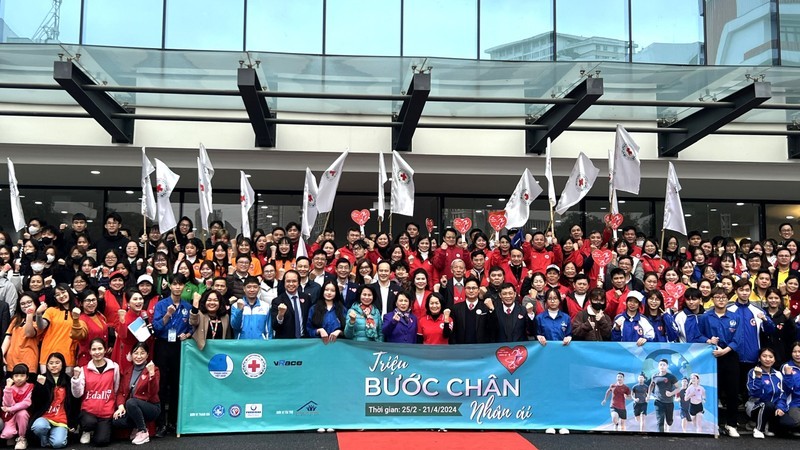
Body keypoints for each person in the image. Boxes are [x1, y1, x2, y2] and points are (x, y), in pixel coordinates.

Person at [152, 275, 192, 438]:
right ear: (170, 286)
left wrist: (188, 334)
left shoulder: (187, 306)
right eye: (175, 284)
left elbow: (192, 326)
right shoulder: (161, 305)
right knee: (161, 386)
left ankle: (174, 422)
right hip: (163, 345)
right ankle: (161, 423)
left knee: (177, 385)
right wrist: (167, 315)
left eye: (180, 285)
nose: (177, 287)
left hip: (179, 346)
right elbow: (155, 327)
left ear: (184, 287)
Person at [699, 287, 742, 437]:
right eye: (717, 297)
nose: (721, 299)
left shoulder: (735, 316)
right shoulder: (705, 317)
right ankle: (712, 424)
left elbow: (738, 339)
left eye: (723, 297)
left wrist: (725, 350)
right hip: (711, 356)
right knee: (711, 391)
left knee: (732, 391)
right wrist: (708, 340)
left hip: (730, 355)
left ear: (727, 299)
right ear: (712, 299)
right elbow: (698, 335)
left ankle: (731, 424)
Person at [72, 338, 120, 446]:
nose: (97, 352)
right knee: (89, 423)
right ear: (89, 351)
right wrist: (75, 379)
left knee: (101, 441)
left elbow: (116, 388)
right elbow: (77, 394)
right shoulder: (84, 369)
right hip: (88, 411)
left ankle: (98, 430)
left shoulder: (114, 367)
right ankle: (86, 430)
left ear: (105, 350)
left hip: (106, 411)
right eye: (94, 349)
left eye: (100, 349)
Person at [112, 342, 160, 445]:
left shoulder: (154, 370)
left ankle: (143, 431)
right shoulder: (128, 371)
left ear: (147, 355)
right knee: (116, 421)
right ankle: (137, 427)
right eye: (136, 353)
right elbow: (121, 392)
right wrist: (120, 406)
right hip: (132, 407)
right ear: (131, 355)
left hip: (151, 407)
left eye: (142, 353)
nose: (138, 356)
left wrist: (151, 375)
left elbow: (153, 392)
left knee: (131, 402)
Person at [30, 352, 75, 449]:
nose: (54, 365)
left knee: (58, 444)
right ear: (47, 365)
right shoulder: (42, 378)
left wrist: (73, 423)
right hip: (45, 417)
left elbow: (73, 403)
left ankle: (55, 434)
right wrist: (40, 386)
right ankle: (44, 441)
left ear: (62, 364)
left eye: (57, 362)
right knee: (39, 427)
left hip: (61, 419)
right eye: (51, 363)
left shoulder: (68, 380)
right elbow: (35, 402)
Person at [746, 347, 789, 439]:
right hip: (755, 406)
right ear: (759, 358)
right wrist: (758, 377)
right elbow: (753, 394)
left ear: (774, 359)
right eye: (764, 356)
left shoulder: (778, 374)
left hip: (773, 408)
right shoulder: (753, 372)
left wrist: (780, 407)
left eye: (771, 357)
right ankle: (758, 429)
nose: (767, 359)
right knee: (768, 405)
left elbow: (782, 394)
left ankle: (766, 425)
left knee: (788, 425)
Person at [36, 284, 78, 375]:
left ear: (69, 292)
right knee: (47, 387)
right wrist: (38, 313)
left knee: (64, 387)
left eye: (63, 292)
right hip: (48, 355)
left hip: (68, 355)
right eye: (57, 295)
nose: (61, 296)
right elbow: (41, 326)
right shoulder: (51, 310)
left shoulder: (77, 312)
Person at [3, 292, 41, 378]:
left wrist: (29, 315)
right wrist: (1, 353)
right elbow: (8, 337)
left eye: (29, 302)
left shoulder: (40, 320)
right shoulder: (16, 319)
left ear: (35, 302)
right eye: (22, 304)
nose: (26, 305)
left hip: (28, 362)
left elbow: (29, 333)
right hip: (11, 361)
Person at [449, 277, 496, 344]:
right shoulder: (456, 308)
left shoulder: (486, 307)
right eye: (468, 288)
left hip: (481, 348)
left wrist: (492, 310)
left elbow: (493, 329)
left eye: (474, 288)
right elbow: (453, 332)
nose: (471, 291)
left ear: (479, 290)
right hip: (461, 348)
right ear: (464, 290)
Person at [70, 290, 109, 368]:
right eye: (88, 300)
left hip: (103, 358)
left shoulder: (100, 315)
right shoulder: (81, 320)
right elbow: (77, 335)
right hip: (88, 361)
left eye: (93, 300)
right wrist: (75, 320)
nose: (91, 303)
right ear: (81, 303)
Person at [271, 270, 312, 339]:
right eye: (288, 281)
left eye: (294, 281)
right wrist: (280, 315)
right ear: (284, 283)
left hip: (304, 341)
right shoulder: (277, 301)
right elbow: (275, 326)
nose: (291, 284)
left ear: (299, 283)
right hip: (286, 343)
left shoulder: (306, 298)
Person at [1, 363, 33, 449]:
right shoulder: (10, 388)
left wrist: (10, 408)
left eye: (22, 376)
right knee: (7, 435)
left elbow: (27, 403)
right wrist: (7, 388)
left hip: (24, 414)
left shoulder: (31, 387)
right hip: (11, 416)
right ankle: (13, 436)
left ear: (27, 377)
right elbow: (7, 403)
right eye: (16, 375)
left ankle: (22, 438)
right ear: (12, 377)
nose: (19, 378)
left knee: (21, 413)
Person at [648, 359, 680, 433]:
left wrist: (671, 393)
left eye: (664, 365)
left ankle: (670, 420)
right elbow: (651, 385)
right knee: (660, 421)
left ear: (667, 366)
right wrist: (648, 395)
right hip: (658, 402)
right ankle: (660, 439)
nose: (662, 366)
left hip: (669, 402)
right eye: (660, 365)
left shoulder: (671, 377)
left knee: (669, 422)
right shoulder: (654, 376)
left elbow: (678, 388)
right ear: (658, 366)